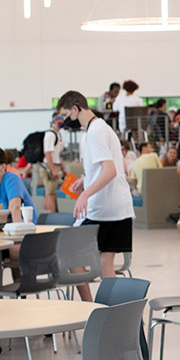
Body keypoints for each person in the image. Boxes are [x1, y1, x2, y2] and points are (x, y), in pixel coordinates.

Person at [56, 90, 135, 287]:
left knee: (68, 251)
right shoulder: (101, 127)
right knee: (105, 265)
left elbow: (110, 170)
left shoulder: (94, 131)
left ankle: (90, 306)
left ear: (75, 109)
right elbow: (107, 165)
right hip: (118, 207)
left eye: (66, 115)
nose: (66, 121)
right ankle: (109, 311)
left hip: (103, 209)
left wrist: (85, 194)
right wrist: (86, 178)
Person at [34, 116, 65, 214]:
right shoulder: (50, 135)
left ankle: (46, 215)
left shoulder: (58, 135)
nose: (63, 122)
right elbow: (47, 153)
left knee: (50, 193)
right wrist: (53, 169)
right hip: (49, 166)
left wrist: (62, 169)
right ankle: (51, 217)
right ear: (55, 120)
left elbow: (58, 155)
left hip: (54, 165)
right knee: (51, 194)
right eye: (61, 120)